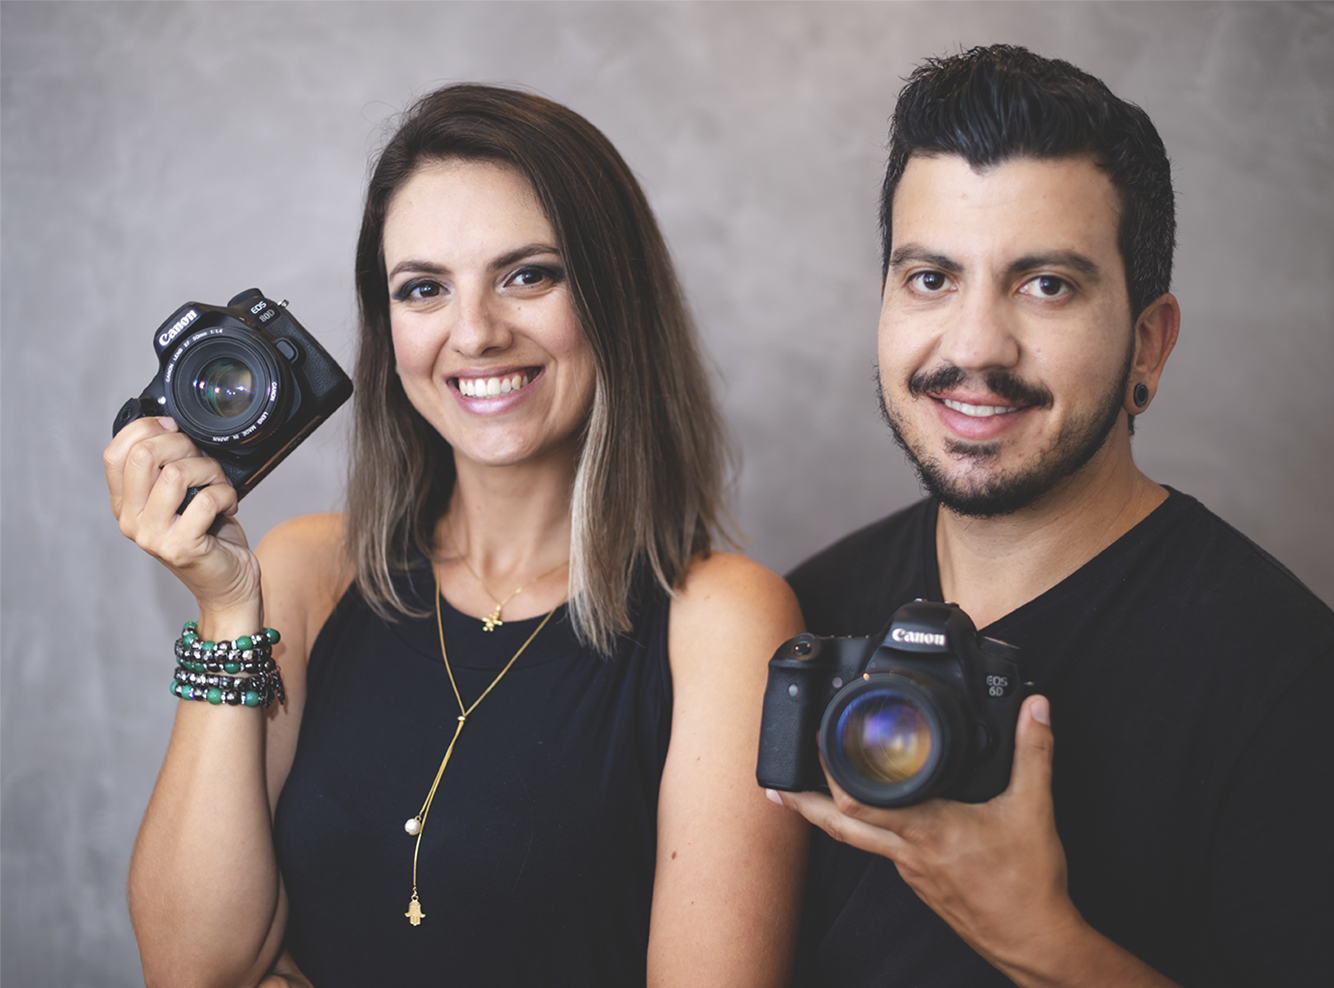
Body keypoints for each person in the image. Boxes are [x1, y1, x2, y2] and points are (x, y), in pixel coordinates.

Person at [105, 84, 808, 988]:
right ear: (389, 329)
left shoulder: (725, 621)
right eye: (425, 289)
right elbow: (193, 971)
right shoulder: (307, 573)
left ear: (611, 296)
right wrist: (227, 609)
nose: (474, 333)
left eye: (529, 275)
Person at [771, 46, 1334, 987]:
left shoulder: (1285, 687)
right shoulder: (807, 609)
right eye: (930, 278)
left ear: (1148, 346)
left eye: (1047, 284)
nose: (973, 345)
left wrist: (1038, 938)